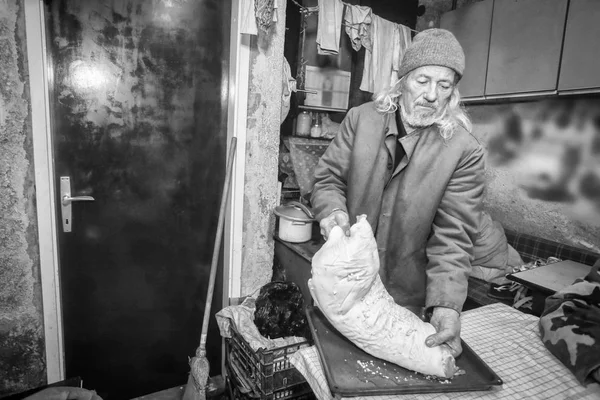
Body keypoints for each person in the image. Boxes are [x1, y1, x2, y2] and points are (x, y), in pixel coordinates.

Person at [310, 28, 522, 358]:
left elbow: (454, 236)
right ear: (403, 79)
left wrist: (447, 306)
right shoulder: (361, 120)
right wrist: (332, 212)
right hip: (343, 283)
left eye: (444, 85)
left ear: (453, 92)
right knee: (335, 363)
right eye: (423, 80)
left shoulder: (464, 151)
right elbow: (327, 181)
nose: (432, 95)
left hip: (404, 296)